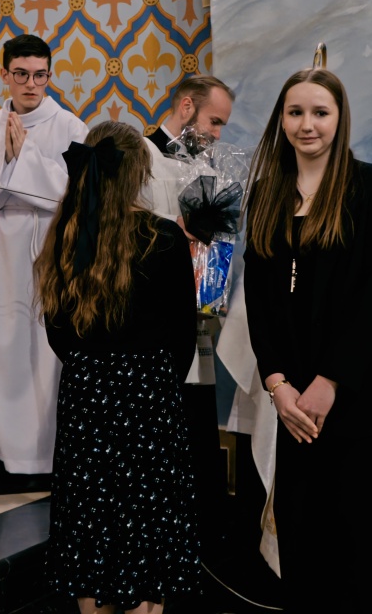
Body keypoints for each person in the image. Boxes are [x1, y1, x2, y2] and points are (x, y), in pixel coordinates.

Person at [242, 67, 372, 610]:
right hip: (297, 404)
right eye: (295, 112)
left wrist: (330, 380)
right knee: (305, 552)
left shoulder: (371, 187)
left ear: (339, 119)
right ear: (281, 120)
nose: (307, 124)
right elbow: (258, 299)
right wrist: (277, 383)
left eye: (320, 112)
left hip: (369, 400)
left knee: (364, 559)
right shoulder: (267, 192)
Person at [35, 121, 199, 614]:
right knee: (148, 521)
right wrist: (154, 380)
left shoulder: (66, 234)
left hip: (87, 392)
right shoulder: (164, 238)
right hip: (151, 394)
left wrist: (93, 370)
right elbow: (183, 334)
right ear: (140, 174)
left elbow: (57, 330)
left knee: (90, 519)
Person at [0, 34, 88, 480]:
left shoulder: (70, 128)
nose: (31, 84)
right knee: (1, 347)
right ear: (5, 75)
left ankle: (48, 457)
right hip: (2, 249)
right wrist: (5, 162)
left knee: (47, 351)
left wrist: (23, 156)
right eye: (22, 75)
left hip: (53, 246)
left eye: (40, 75)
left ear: (49, 75)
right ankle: (3, 455)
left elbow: (78, 191)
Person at [143, 74, 236, 563]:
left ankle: (204, 539)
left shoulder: (208, 167)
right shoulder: (142, 156)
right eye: (213, 122)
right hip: (157, 320)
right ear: (185, 107)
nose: (218, 134)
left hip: (199, 314)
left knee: (198, 421)